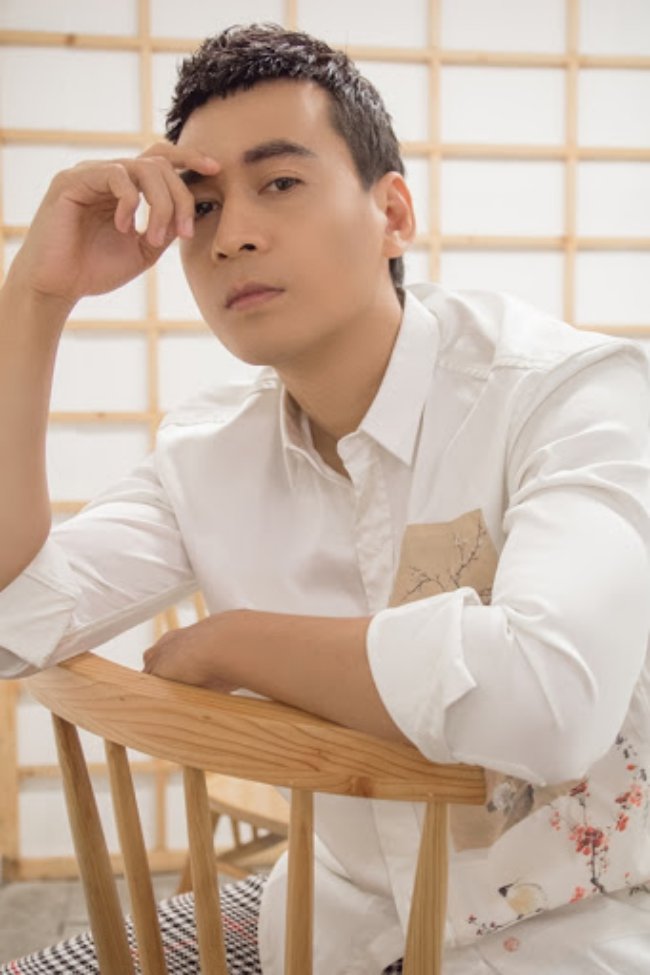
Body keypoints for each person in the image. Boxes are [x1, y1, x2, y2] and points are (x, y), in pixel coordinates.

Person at [1, 21, 650, 975]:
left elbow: (553, 700)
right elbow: (13, 612)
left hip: (577, 931)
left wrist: (239, 641)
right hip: (328, 932)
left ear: (392, 213)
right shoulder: (209, 455)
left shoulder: (570, 392)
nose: (234, 233)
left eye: (280, 183)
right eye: (204, 205)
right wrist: (34, 297)